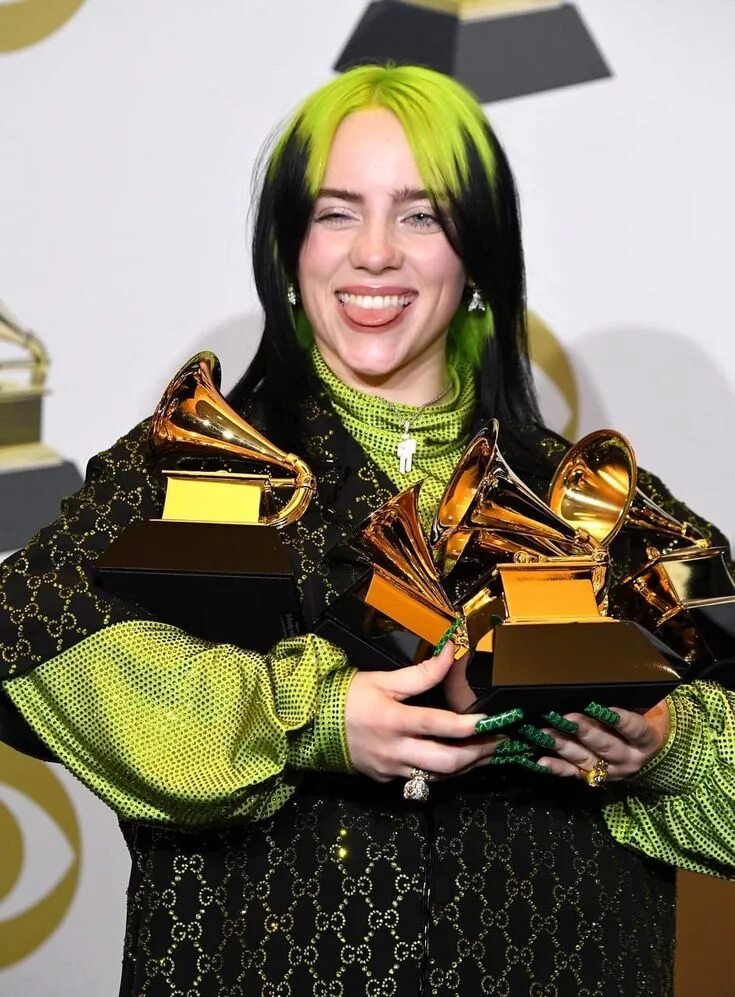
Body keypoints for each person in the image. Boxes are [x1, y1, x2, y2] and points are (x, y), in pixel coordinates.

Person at [1, 64, 733, 997]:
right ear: (288, 248)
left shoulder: (600, 508)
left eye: (421, 216)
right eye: (336, 212)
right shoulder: (181, 472)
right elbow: (31, 642)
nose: (375, 253)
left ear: (479, 256)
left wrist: (668, 742)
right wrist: (315, 718)